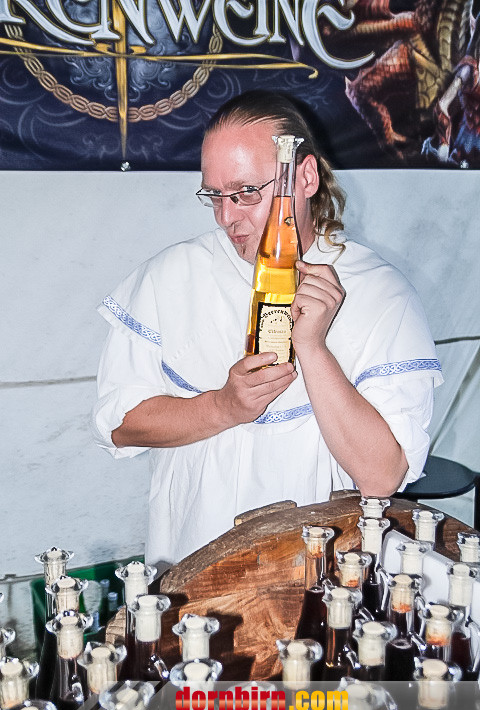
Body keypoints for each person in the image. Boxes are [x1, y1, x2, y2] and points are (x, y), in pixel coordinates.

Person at [92, 91, 442, 567]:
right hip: (189, 567)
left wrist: (313, 350)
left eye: (246, 193)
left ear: (306, 177)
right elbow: (118, 425)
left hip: (316, 576)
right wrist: (222, 407)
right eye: (214, 195)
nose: (227, 217)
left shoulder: (381, 294)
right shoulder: (171, 275)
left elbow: (381, 476)